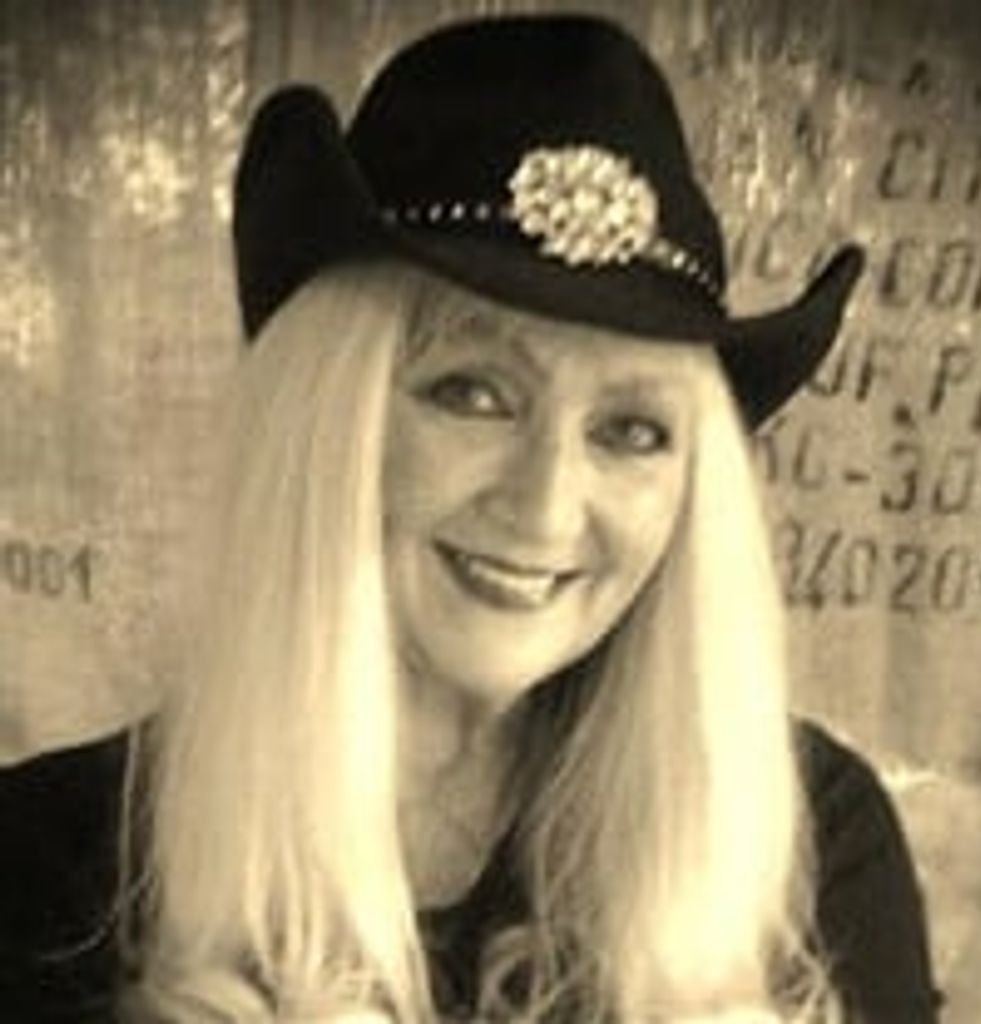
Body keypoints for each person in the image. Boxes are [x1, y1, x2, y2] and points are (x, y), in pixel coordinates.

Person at [117, 14, 939, 1023]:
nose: (547, 507)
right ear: (325, 421)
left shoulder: (813, 843)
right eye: (472, 393)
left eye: (631, 430)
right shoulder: (48, 861)